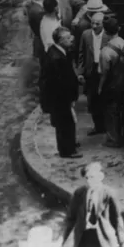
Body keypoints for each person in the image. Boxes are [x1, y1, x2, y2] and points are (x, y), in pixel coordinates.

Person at [53, 162, 124, 247]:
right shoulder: (79, 193)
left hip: (103, 238)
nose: (89, 181)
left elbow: (117, 218)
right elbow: (71, 218)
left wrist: (122, 240)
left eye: (92, 177)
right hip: (84, 238)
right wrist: (63, 239)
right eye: (87, 178)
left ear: (101, 177)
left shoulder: (108, 193)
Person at [42, 26, 82, 158]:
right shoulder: (57, 58)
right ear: (60, 41)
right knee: (65, 123)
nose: (72, 39)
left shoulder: (58, 52)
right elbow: (60, 83)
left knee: (67, 122)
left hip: (61, 98)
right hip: (61, 99)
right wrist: (70, 97)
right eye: (68, 38)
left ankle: (69, 144)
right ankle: (67, 150)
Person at [98, 20, 124, 148]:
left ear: (106, 32)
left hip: (112, 84)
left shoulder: (106, 51)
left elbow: (104, 72)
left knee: (111, 112)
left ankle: (114, 138)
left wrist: (100, 87)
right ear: (118, 29)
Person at [78, 12, 110, 136]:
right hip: (91, 70)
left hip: (103, 69)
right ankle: (98, 126)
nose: (94, 26)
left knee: (105, 98)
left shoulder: (108, 36)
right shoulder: (86, 35)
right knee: (92, 100)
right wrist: (80, 72)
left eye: (98, 23)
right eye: (93, 23)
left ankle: (107, 126)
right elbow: (81, 53)